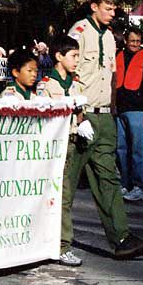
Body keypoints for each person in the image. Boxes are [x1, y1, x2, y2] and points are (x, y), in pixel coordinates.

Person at [67, 0, 143, 260]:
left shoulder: (111, 37)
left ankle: (121, 237)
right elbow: (69, 75)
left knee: (109, 179)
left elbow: (112, 78)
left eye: (114, 8)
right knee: (68, 181)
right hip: (83, 115)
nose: (112, 12)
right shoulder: (79, 32)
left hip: (105, 116)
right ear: (94, 6)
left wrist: (113, 111)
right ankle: (57, 242)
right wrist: (79, 116)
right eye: (108, 8)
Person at [40, 35, 93, 267]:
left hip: (73, 142)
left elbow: (79, 108)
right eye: (72, 56)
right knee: (59, 195)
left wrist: (82, 121)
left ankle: (58, 242)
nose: (76, 61)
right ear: (58, 56)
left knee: (66, 195)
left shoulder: (74, 82)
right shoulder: (47, 84)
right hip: (56, 145)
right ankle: (62, 245)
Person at [114, 26, 143, 202]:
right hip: (120, 110)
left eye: (138, 41)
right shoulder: (118, 55)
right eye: (132, 41)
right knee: (121, 149)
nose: (135, 44)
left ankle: (139, 186)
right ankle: (124, 183)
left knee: (138, 150)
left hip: (138, 110)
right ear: (126, 40)